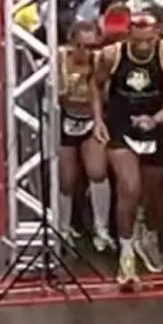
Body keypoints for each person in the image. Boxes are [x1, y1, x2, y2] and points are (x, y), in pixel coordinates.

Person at [91, 10, 163, 289]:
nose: (144, 46)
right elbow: (95, 86)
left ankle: (145, 233)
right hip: (121, 125)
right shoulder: (112, 55)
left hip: (153, 124)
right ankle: (126, 252)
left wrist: (157, 119)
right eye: (138, 41)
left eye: (149, 40)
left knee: (151, 192)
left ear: (156, 35)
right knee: (129, 187)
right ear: (128, 35)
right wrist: (98, 120)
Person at [56, 21, 114, 252]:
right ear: (72, 42)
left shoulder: (101, 60)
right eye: (81, 46)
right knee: (66, 179)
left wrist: (99, 121)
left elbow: (100, 93)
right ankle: (63, 227)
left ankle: (102, 228)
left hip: (91, 119)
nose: (86, 51)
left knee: (97, 171)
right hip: (65, 120)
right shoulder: (58, 59)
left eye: (91, 46)